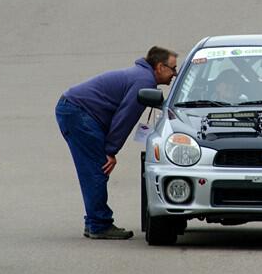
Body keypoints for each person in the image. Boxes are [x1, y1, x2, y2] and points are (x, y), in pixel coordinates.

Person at [55, 46, 178, 239]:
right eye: (173, 68)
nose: (175, 74)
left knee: (93, 168)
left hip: (75, 110)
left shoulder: (142, 77)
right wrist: (111, 151)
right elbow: (124, 118)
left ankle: (94, 222)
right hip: (78, 112)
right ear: (160, 67)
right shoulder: (143, 81)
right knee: (98, 168)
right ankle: (99, 224)